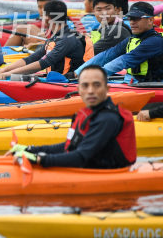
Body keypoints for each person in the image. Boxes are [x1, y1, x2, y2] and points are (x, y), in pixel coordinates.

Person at [8, 66, 136, 169]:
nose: (90, 91)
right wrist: (30, 149)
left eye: (96, 85)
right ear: (79, 89)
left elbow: (81, 156)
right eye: (85, 86)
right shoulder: (90, 113)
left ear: (107, 89)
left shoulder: (107, 119)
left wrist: (39, 159)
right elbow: (70, 146)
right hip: (90, 167)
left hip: (108, 175)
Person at [0, 0, 85, 78]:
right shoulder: (56, 37)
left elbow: (43, 63)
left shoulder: (67, 39)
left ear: (47, 18)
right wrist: (2, 71)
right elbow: (32, 58)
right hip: (56, 79)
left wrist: (8, 74)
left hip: (68, 82)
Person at [76, 1, 163, 82]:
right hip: (133, 82)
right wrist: (80, 70)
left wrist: (94, 76)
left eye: (137, 18)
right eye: (130, 18)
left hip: (151, 84)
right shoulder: (132, 38)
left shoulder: (155, 41)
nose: (132, 22)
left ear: (150, 20)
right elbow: (108, 55)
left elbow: (124, 60)